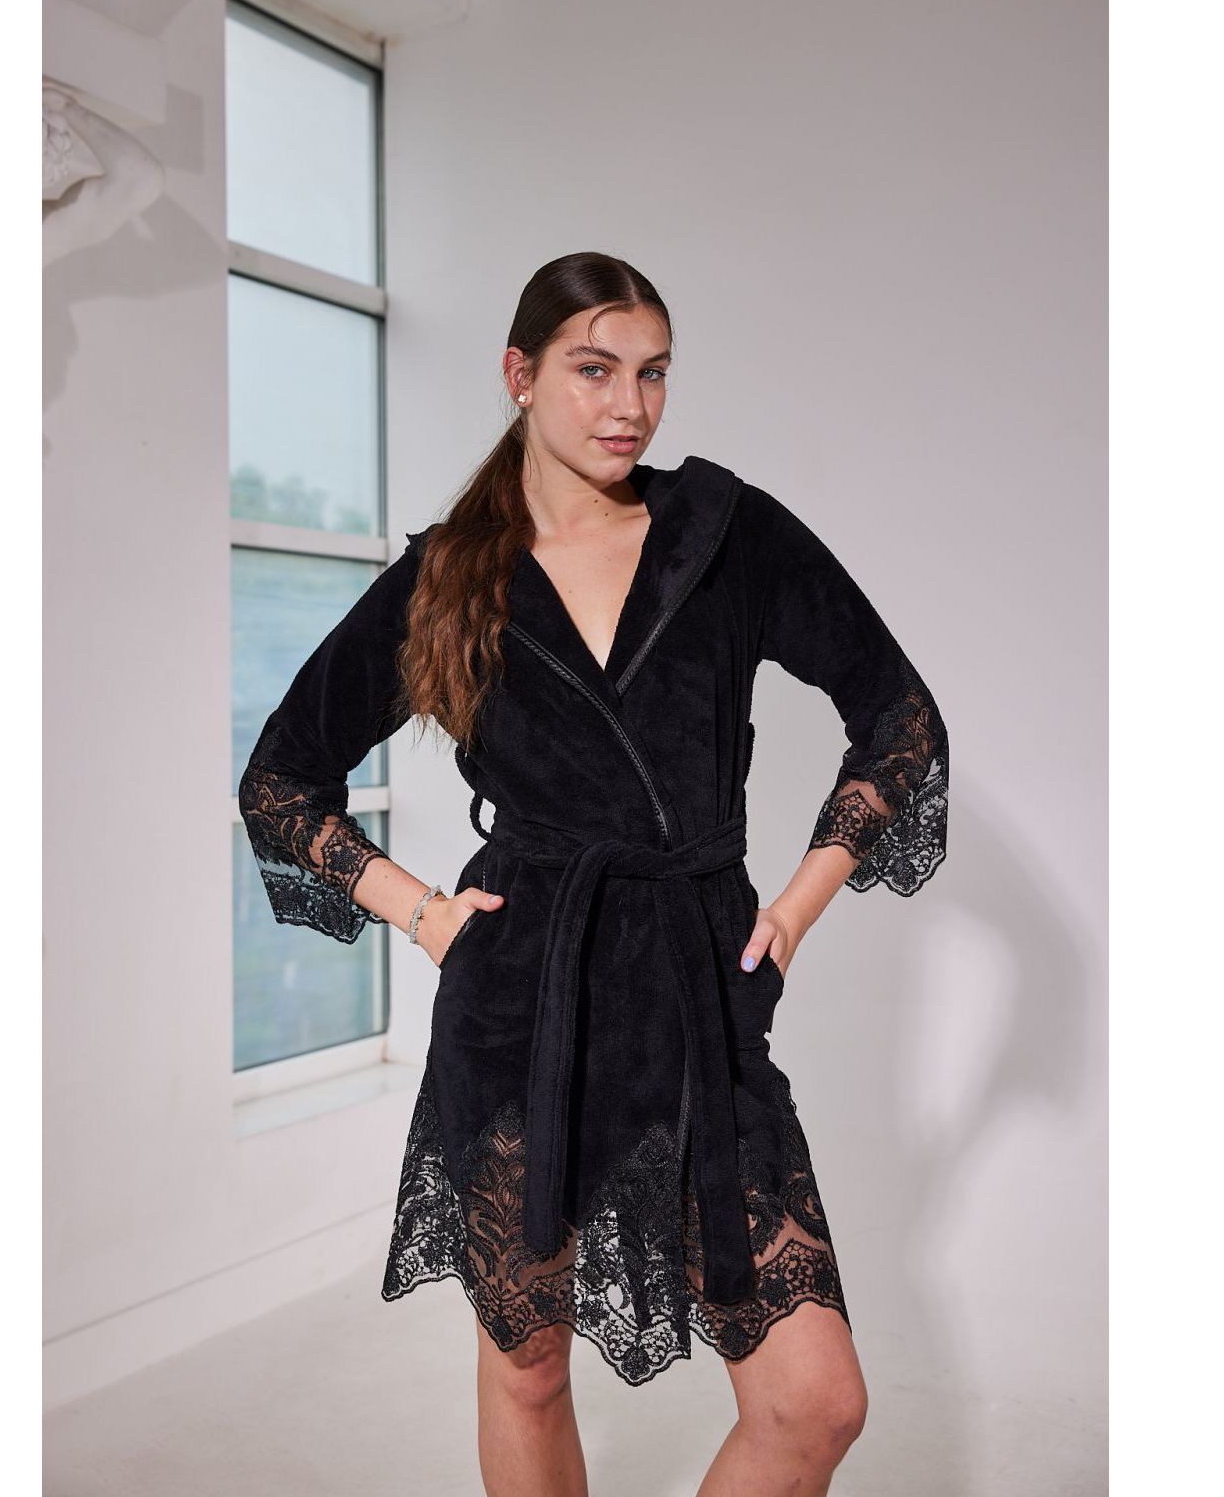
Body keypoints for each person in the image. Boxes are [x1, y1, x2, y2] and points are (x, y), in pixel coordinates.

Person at [238, 251, 949, 1495]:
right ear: (519, 375)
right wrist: (426, 914)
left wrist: (795, 906)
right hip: (522, 998)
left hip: (696, 998)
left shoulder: (722, 534)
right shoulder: (449, 575)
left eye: (653, 373)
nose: (630, 406)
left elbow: (899, 717)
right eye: (594, 369)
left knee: (814, 1403)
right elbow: (281, 778)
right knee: (527, 1371)